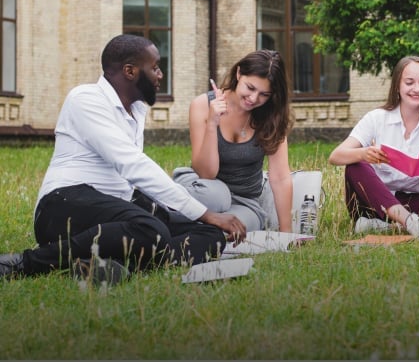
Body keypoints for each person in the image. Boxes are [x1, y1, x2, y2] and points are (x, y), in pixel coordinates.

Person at [0, 34, 246, 284]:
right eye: (155, 67)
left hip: (114, 209)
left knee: (211, 235)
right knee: (152, 230)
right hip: (62, 208)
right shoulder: (85, 99)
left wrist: (200, 218)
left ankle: (110, 263)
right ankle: (24, 263)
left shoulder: (137, 109)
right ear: (130, 71)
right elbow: (132, 164)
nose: (160, 75)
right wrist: (206, 212)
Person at [328, 55, 419, 238]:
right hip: (372, 204)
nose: (417, 89)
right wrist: (364, 153)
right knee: (355, 165)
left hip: (413, 202)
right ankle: (410, 223)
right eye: (409, 82)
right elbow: (335, 156)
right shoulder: (376, 118)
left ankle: (389, 227)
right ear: (397, 86)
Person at [173, 50, 294, 233]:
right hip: (205, 189)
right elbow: (205, 173)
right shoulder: (202, 105)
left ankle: (186, 226)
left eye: (264, 94)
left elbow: (280, 177)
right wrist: (212, 124)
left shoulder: (272, 116)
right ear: (238, 73)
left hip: (244, 203)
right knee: (218, 196)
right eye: (250, 88)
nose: (254, 99)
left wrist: (287, 233)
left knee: (235, 230)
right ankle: (161, 209)